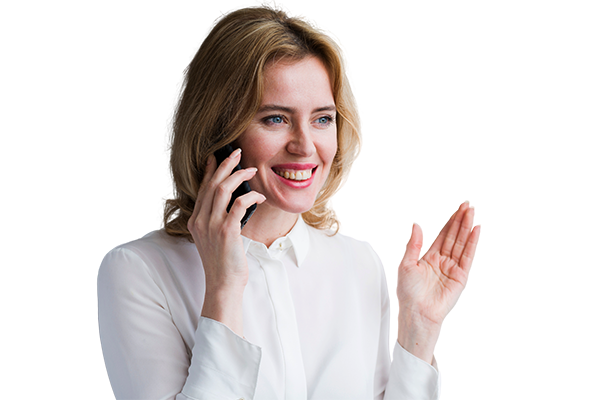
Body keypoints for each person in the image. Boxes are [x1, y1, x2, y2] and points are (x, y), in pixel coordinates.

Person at [97, 6, 481, 400]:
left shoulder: (361, 265)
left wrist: (418, 328)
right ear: (219, 132)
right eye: (275, 119)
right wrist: (223, 290)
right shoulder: (138, 273)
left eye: (322, 119)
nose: (305, 146)